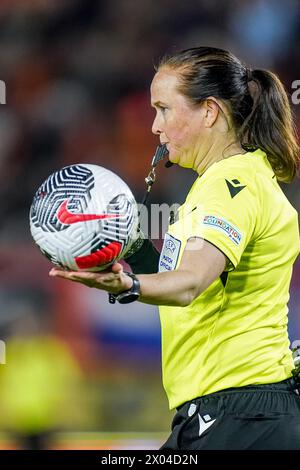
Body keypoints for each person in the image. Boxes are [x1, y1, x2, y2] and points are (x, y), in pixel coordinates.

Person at [49, 47, 300, 450]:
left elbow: (189, 284)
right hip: (242, 412)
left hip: (238, 413)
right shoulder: (233, 179)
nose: (154, 126)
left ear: (209, 112)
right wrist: (126, 242)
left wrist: (128, 287)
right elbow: (189, 280)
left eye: (164, 109)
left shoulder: (228, 185)